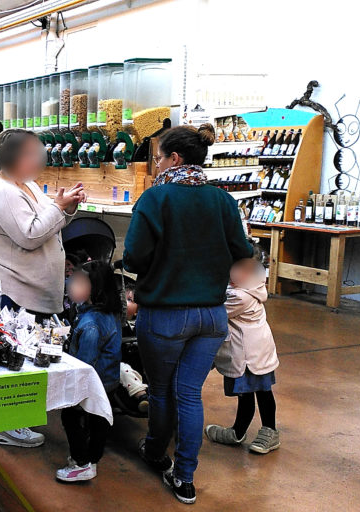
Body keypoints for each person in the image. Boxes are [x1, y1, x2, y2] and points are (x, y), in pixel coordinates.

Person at [122, 123, 252, 505]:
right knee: (190, 394)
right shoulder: (223, 200)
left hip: (165, 315)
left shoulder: (155, 198)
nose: (157, 165)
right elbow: (242, 252)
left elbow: (133, 258)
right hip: (212, 317)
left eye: (159, 158)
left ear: (175, 158)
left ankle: (155, 451)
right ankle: (185, 478)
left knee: (161, 391)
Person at [0, 129, 85, 449]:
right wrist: (59, 207)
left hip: (26, 288)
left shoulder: (27, 185)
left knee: (22, 356)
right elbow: (30, 235)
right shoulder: (3, 191)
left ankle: (15, 418)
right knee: (9, 357)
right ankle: (6, 425)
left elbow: (49, 225)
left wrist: (66, 206)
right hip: (10, 289)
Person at [205, 246, 280, 454]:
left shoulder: (241, 295)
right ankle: (239, 431)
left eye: (249, 269)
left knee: (259, 393)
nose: (242, 274)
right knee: (249, 394)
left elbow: (214, 313)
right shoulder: (247, 286)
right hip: (249, 352)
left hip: (250, 356)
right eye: (238, 267)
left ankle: (267, 431)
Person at [56, 260, 121, 482]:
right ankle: (91, 459)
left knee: (71, 416)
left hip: (92, 382)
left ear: (96, 290)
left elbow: (84, 367)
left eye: (79, 282)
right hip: (108, 380)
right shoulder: (107, 312)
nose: (71, 285)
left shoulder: (91, 324)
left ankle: (82, 463)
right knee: (97, 421)